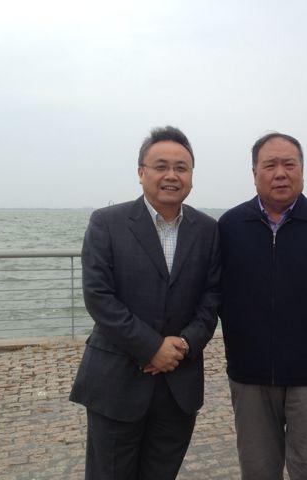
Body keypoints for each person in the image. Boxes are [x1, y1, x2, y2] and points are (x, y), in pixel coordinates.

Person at [70, 126, 220, 480]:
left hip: (179, 384)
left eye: (181, 168)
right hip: (116, 383)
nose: (172, 175)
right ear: (141, 173)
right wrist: (152, 347)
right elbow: (98, 296)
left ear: (191, 175)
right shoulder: (107, 222)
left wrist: (184, 344)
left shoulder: (207, 229)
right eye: (161, 166)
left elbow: (212, 297)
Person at [218, 132, 307, 480]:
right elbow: (218, 293)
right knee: (258, 471)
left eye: (289, 164)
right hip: (249, 378)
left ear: (302, 171)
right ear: (254, 173)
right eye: (270, 165)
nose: (280, 173)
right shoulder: (230, 227)